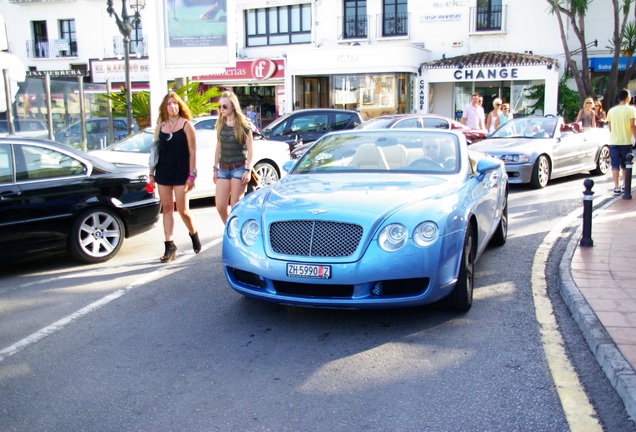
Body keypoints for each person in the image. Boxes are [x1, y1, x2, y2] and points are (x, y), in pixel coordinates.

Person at [149, 91, 201, 263]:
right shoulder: (160, 126)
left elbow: (193, 151)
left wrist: (192, 175)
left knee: (183, 210)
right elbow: (154, 151)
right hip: (163, 171)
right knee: (167, 208)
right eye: (169, 104)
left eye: (175, 103)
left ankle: (193, 233)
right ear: (165, 107)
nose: (172, 106)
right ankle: (169, 245)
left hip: (181, 172)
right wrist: (151, 173)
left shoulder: (187, 125)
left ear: (179, 106)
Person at [213, 91, 254, 224]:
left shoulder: (243, 125)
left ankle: (235, 230)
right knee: (220, 206)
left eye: (225, 106)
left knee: (235, 205)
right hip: (223, 168)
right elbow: (218, 147)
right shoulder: (220, 124)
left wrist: (247, 170)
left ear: (233, 107)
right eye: (220, 107)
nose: (221, 110)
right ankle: (230, 228)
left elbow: (251, 149)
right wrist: (215, 168)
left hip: (239, 168)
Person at [606, 88, 636, 195]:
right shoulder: (631, 110)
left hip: (613, 141)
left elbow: (610, 128)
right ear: (628, 98)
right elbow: (632, 125)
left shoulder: (611, 111)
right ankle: (624, 185)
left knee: (615, 165)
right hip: (626, 141)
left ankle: (616, 187)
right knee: (625, 164)